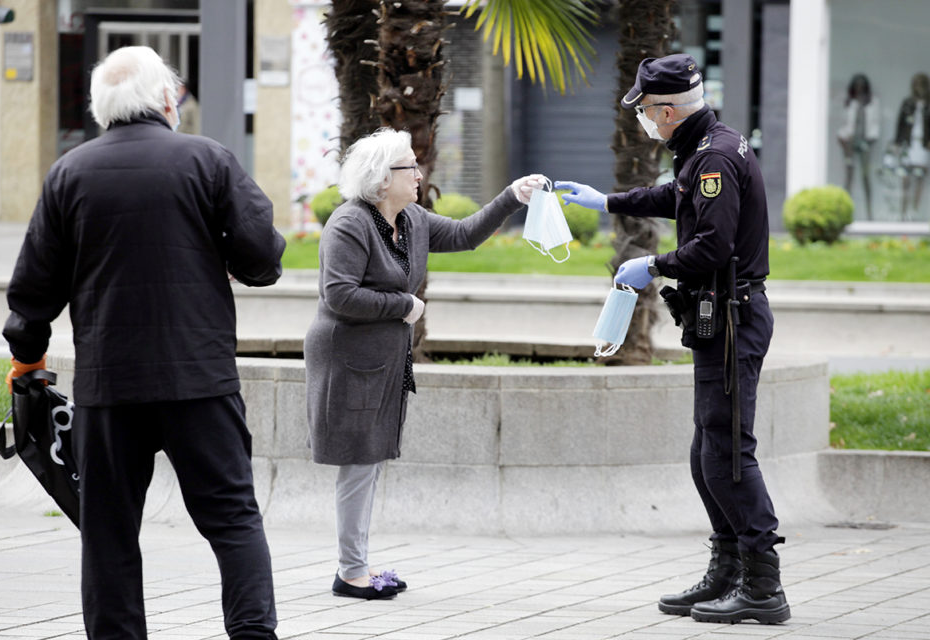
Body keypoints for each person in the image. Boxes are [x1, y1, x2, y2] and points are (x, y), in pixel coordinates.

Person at [3, 46, 284, 640]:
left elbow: (32, 292)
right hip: (199, 382)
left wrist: (27, 361)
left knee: (108, 533)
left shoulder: (68, 174)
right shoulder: (208, 160)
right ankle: (254, 633)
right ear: (167, 99)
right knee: (233, 519)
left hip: (111, 386)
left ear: (101, 109)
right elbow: (264, 256)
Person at [555, 54, 789, 625]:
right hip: (722, 316)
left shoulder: (710, 157)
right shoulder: (708, 144)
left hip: (733, 316)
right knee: (708, 449)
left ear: (665, 110)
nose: (643, 120)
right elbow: (675, 198)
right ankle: (727, 569)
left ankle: (763, 585)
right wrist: (608, 200)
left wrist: (651, 265)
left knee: (727, 452)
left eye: (645, 110)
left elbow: (710, 246)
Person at [304, 127, 543, 600]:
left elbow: (463, 234)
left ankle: (355, 564)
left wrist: (512, 196)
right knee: (358, 462)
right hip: (348, 358)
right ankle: (351, 572)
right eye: (409, 166)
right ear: (380, 178)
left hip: (383, 360)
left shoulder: (410, 217)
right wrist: (404, 306)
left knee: (369, 461)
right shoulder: (349, 223)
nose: (419, 173)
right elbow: (339, 294)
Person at [836, 73, 880, 219]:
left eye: (862, 85)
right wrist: (843, 137)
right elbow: (843, 124)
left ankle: (869, 213)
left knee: (865, 176)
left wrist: (870, 139)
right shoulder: (849, 102)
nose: (859, 88)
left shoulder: (872, 102)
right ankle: (844, 213)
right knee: (849, 176)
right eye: (857, 85)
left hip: (865, 142)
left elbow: (875, 124)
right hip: (850, 142)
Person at [894, 72, 930, 217]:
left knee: (920, 177)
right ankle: (904, 210)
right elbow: (900, 123)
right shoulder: (908, 103)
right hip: (908, 143)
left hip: (923, 144)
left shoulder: (928, 105)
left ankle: (915, 210)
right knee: (906, 178)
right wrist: (897, 142)